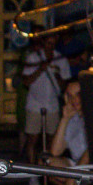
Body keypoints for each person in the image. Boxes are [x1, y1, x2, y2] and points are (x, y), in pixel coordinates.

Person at [19, 34, 71, 166]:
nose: (50, 47)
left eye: (53, 43)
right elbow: (26, 81)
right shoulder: (33, 58)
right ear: (43, 43)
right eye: (48, 43)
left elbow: (65, 86)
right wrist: (40, 69)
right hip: (35, 104)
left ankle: (48, 168)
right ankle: (32, 169)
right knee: (33, 139)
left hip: (52, 105)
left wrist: (57, 74)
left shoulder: (61, 59)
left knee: (52, 140)